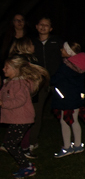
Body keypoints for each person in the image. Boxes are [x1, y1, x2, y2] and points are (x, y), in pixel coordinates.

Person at [1, 55, 48, 179]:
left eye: (6, 67)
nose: (3, 69)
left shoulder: (20, 84)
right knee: (9, 143)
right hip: (17, 119)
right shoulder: (10, 82)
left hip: (22, 119)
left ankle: (27, 167)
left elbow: (20, 101)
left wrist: (3, 104)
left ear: (16, 69)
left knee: (10, 144)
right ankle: (26, 165)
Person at [27, 17, 63, 151]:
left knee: (66, 109)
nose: (43, 27)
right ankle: (32, 141)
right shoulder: (32, 43)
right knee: (36, 111)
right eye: (41, 24)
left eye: (46, 25)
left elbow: (68, 55)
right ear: (36, 26)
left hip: (57, 81)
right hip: (39, 82)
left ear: (51, 28)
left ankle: (70, 141)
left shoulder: (57, 41)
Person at [51, 42, 85, 158]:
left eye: (63, 49)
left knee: (64, 121)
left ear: (69, 52)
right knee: (74, 120)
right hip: (76, 98)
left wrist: (48, 78)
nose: (61, 50)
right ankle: (78, 145)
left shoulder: (66, 66)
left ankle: (67, 147)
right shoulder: (80, 66)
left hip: (65, 98)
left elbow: (55, 79)